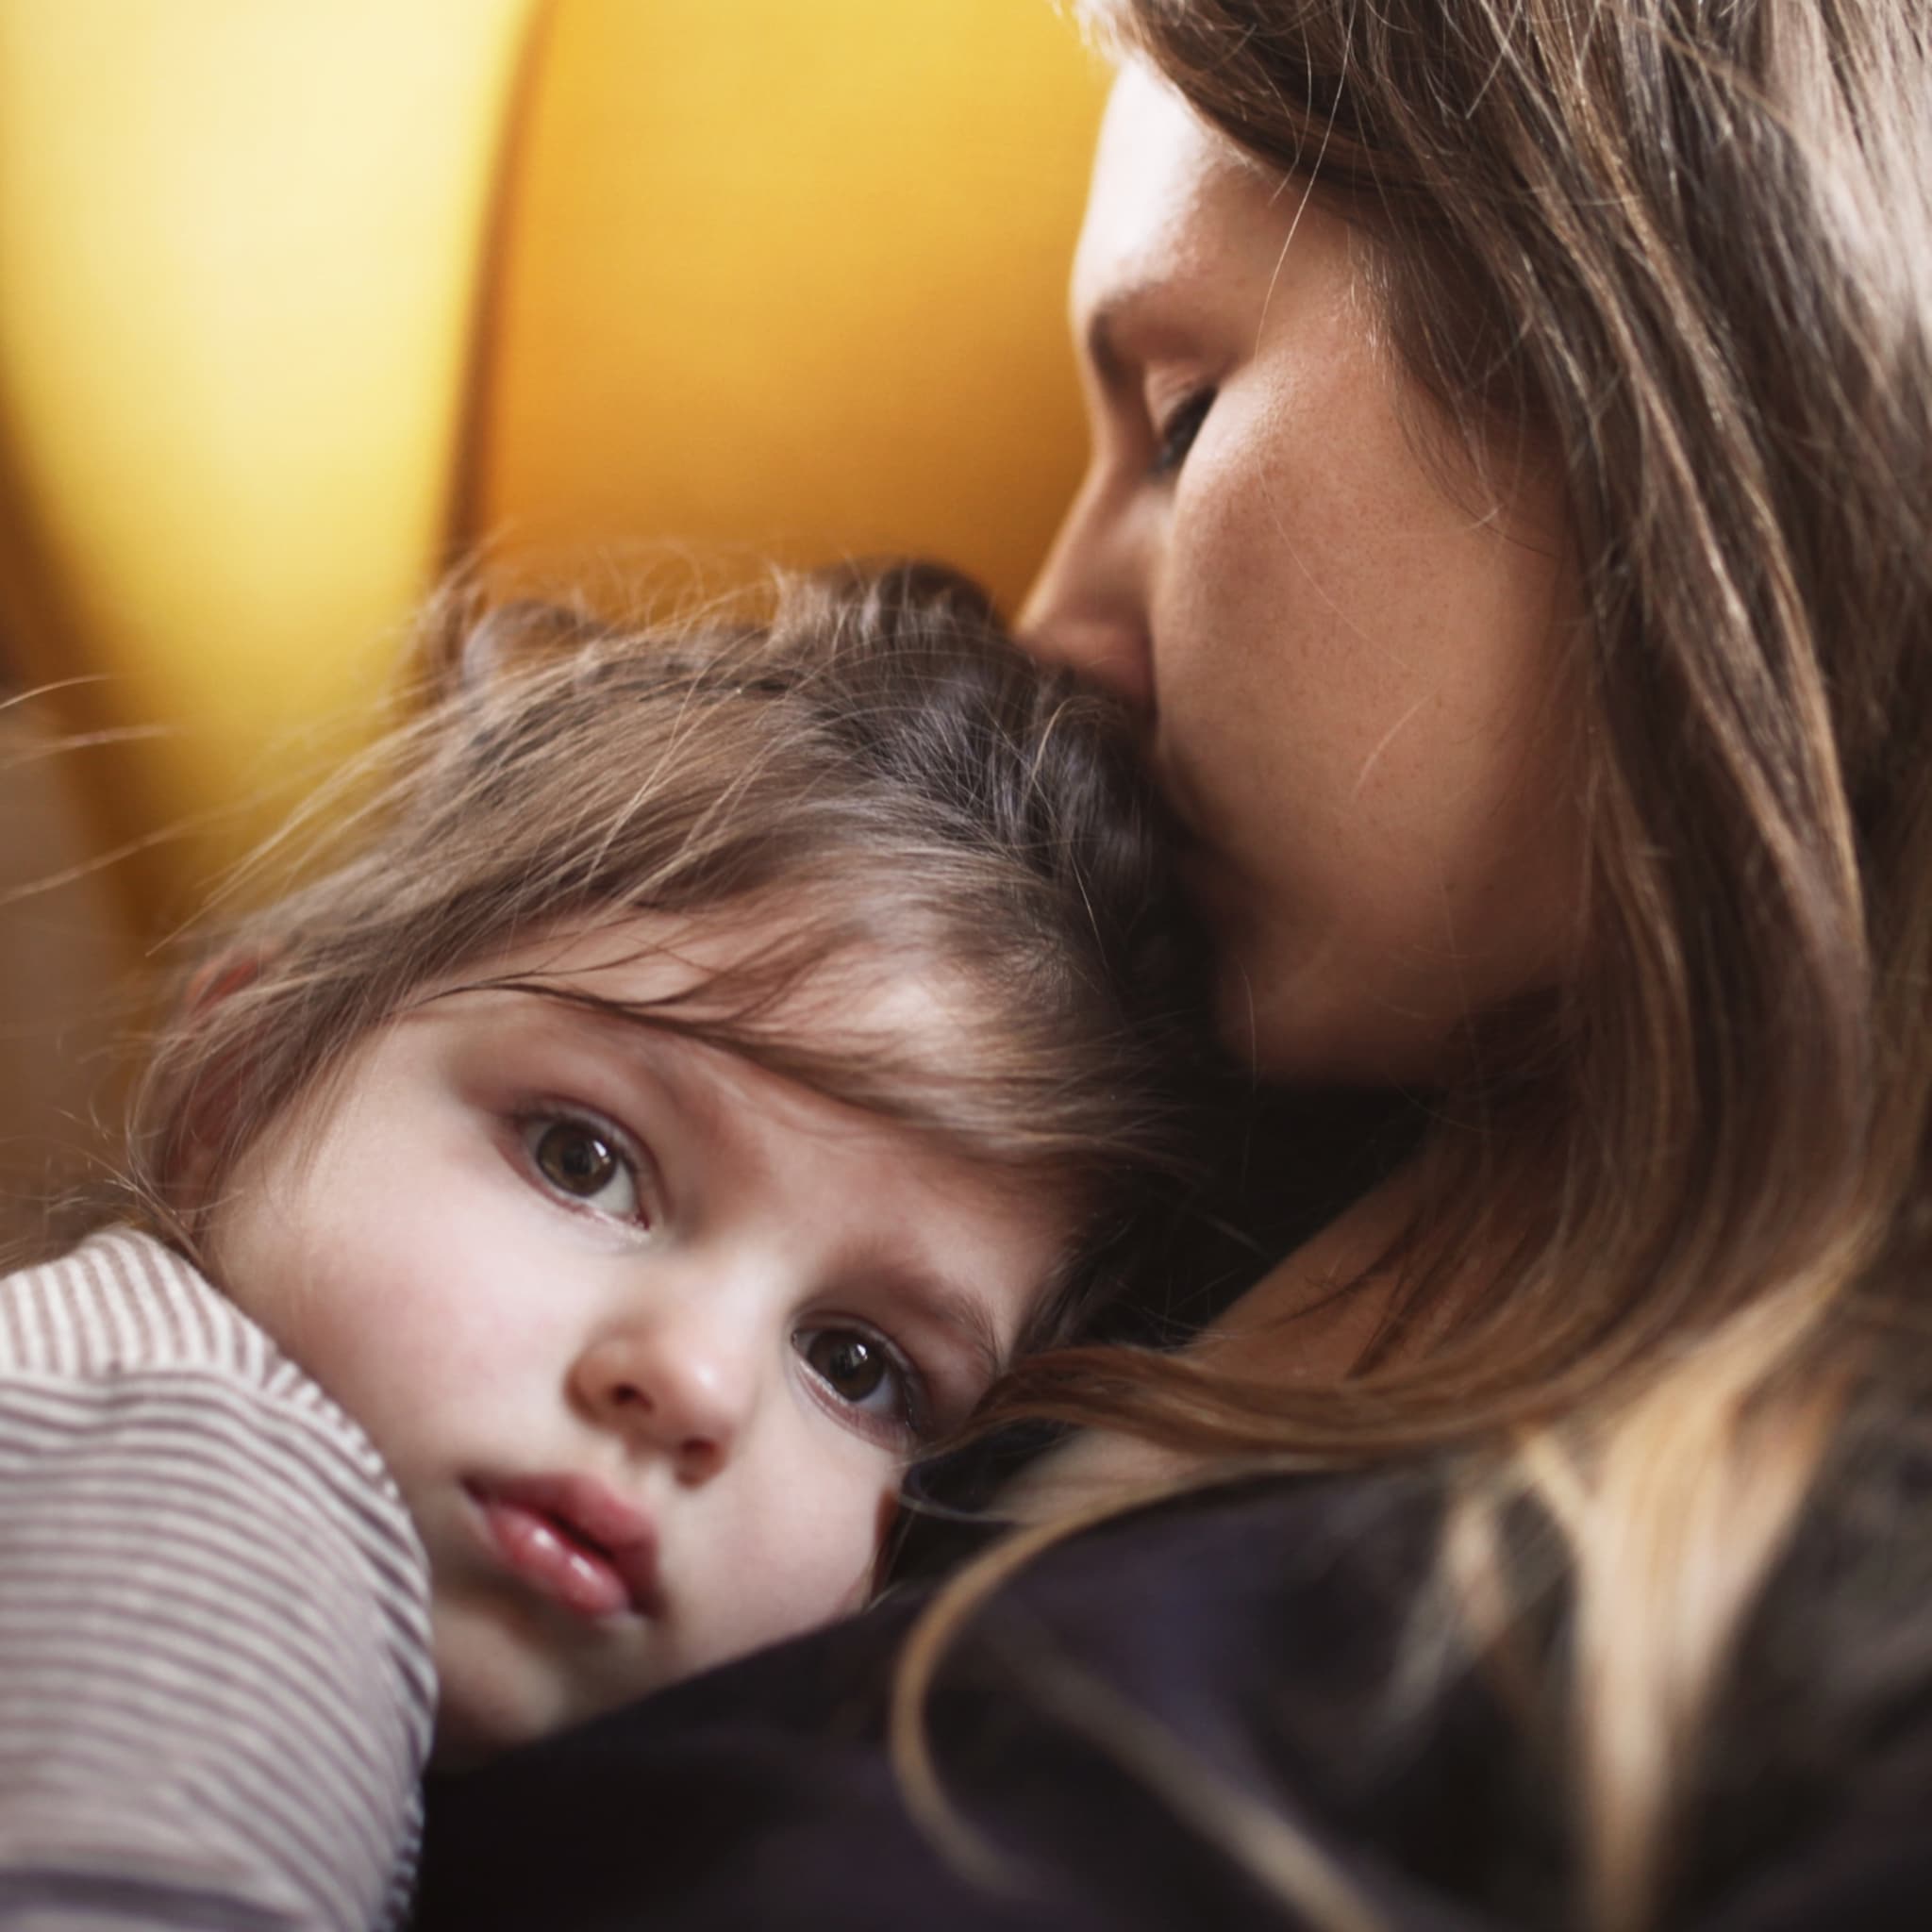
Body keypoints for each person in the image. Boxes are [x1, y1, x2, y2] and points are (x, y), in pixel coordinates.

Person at [413, 3, 1932, 1929]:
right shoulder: (1110, 1142)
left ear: (1651, 368)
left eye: (1180, 416)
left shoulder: (1844, 1646)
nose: (1056, 626)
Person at [0, 563, 1215, 1930]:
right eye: (584, 1161)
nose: (692, 1382)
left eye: (859, 1367)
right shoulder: (200, 1486)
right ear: (237, 1083)